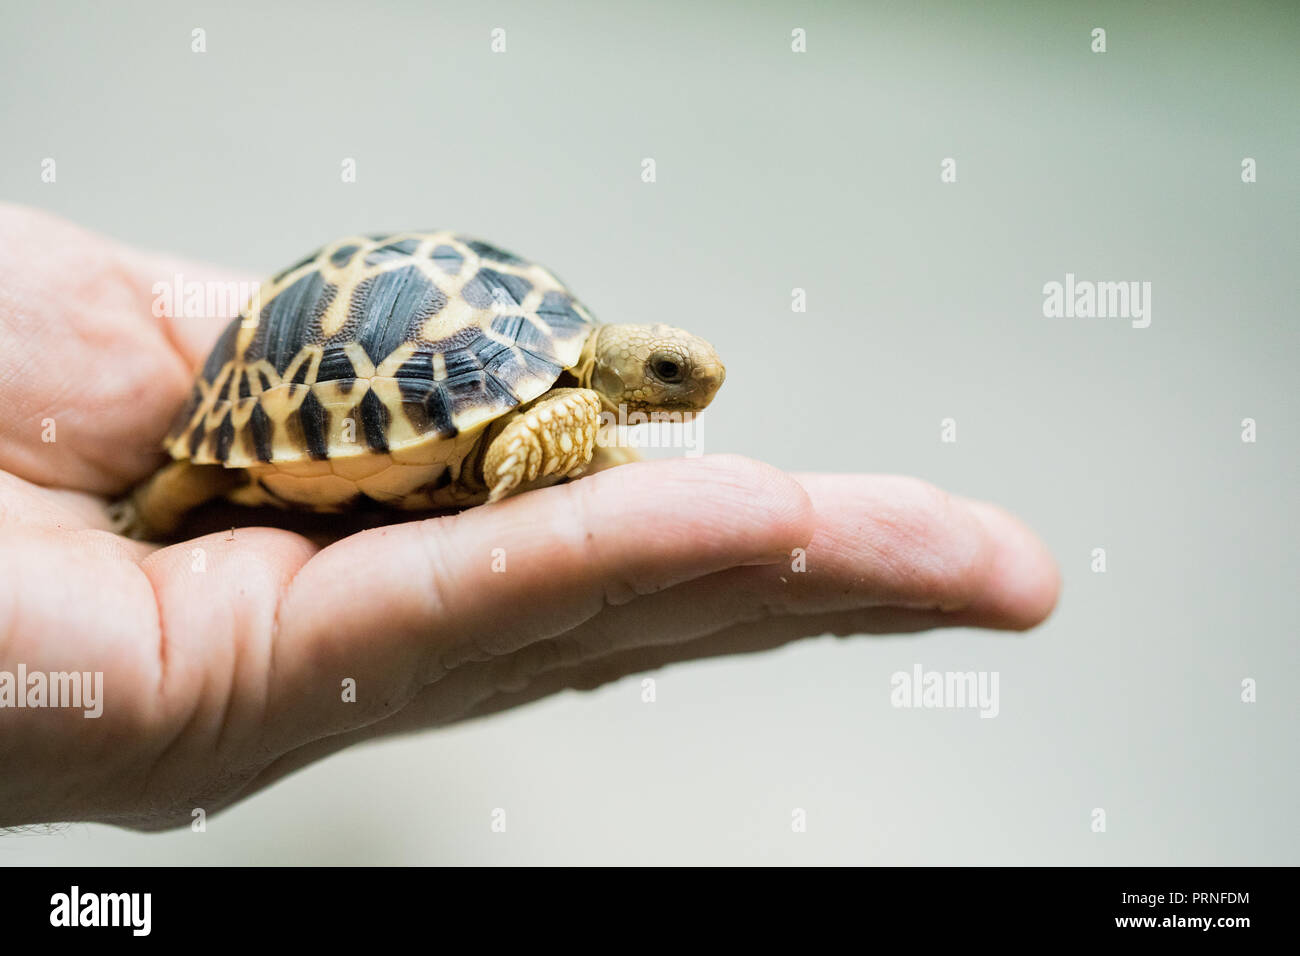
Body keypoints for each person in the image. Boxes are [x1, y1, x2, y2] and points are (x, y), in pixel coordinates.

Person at [0, 204, 1059, 829]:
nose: (688, 388)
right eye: (671, 373)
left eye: (687, 373)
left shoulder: (576, 372)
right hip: (285, 387)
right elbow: (516, 445)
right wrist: (146, 504)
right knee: (184, 481)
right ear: (624, 370)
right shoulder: (564, 399)